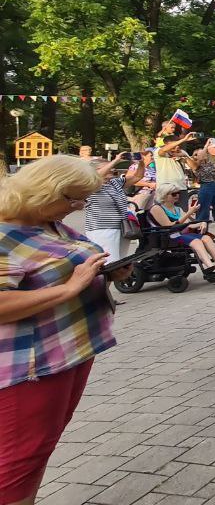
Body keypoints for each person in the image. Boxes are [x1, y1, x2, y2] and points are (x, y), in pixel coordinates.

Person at [0, 155, 134, 504]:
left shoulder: (48, 222)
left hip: (68, 354)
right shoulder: (4, 235)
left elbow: (69, 266)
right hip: (31, 367)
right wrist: (69, 288)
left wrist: (107, 273)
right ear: (45, 192)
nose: (79, 207)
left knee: (37, 451)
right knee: (17, 462)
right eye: (74, 199)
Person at [84, 151, 148, 264]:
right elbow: (95, 177)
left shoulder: (114, 182)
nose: (112, 169)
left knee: (119, 263)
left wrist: (141, 162)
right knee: (109, 263)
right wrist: (115, 160)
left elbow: (137, 176)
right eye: (109, 168)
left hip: (123, 228)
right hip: (103, 229)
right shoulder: (90, 185)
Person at [149, 183, 215, 272]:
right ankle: (210, 266)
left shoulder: (178, 209)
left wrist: (202, 223)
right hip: (167, 236)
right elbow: (169, 226)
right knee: (196, 241)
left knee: (206, 238)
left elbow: (187, 225)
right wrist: (189, 213)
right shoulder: (157, 208)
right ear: (164, 195)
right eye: (174, 194)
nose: (177, 195)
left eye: (178, 193)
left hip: (180, 234)